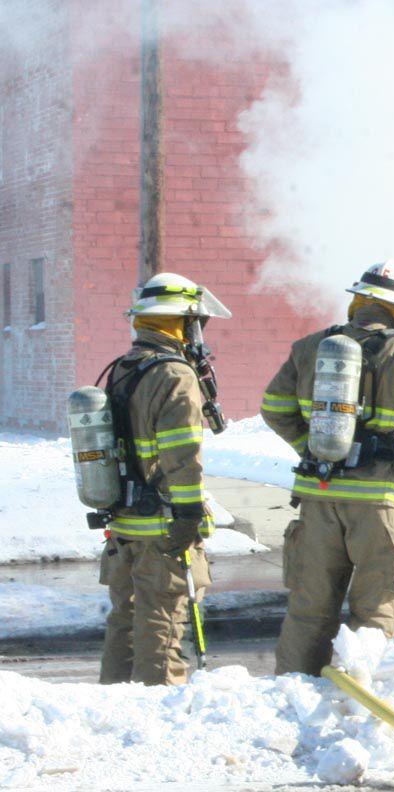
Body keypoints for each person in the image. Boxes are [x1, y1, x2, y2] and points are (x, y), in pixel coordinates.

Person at [262, 260, 394, 676]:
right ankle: (364, 704)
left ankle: (291, 696)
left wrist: (311, 448)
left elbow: (274, 407)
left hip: (318, 494)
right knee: (377, 608)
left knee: (308, 611)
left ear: (359, 301)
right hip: (377, 502)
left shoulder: (310, 347)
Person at [99, 272, 232, 685]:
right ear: (181, 321)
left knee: (126, 620)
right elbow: (182, 455)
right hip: (162, 525)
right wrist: (189, 515)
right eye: (195, 322)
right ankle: (156, 710)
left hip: (124, 523)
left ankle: (113, 704)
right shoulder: (174, 374)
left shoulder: (123, 367)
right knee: (162, 622)